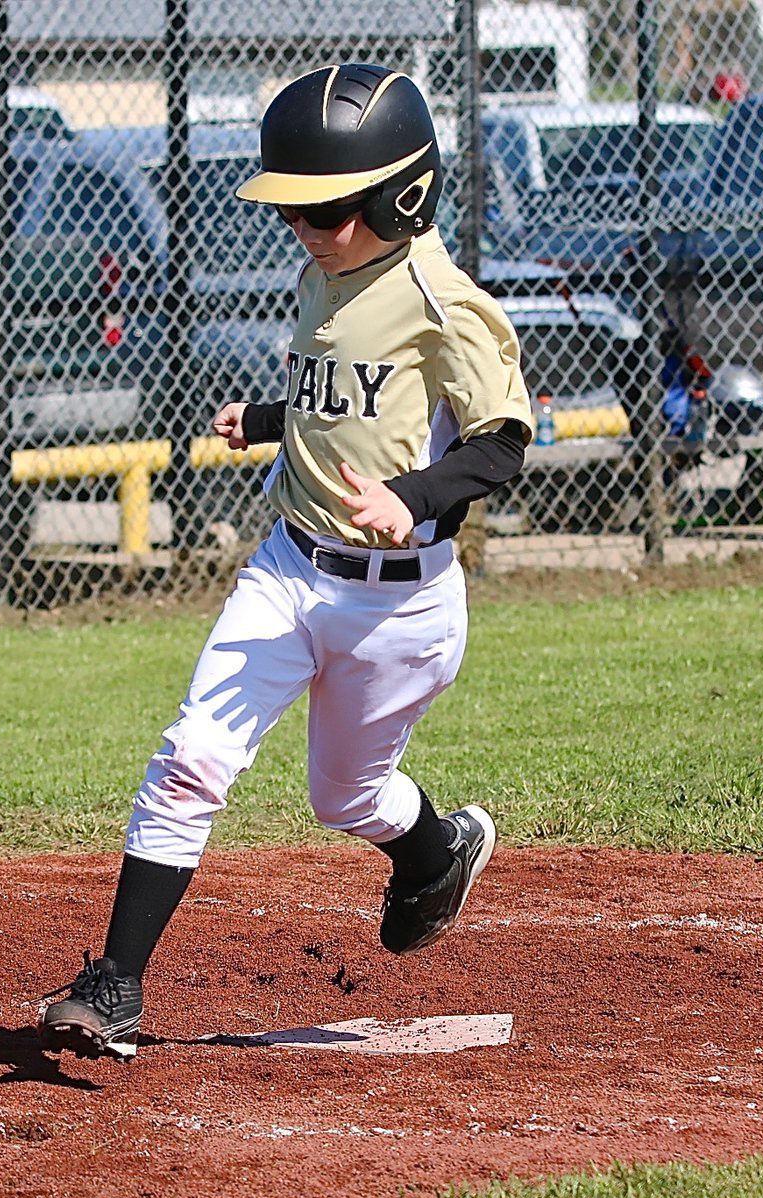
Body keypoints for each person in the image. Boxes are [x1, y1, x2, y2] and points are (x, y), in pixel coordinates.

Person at [38, 62, 534, 1061]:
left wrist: (412, 497)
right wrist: (267, 420)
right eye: (293, 212)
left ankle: (436, 848)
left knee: (343, 799)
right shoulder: (320, 274)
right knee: (190, 759)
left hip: (401, 608)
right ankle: (117, 984)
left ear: (403, 194)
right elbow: (342, 397)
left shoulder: (445, 303)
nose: (309, 230)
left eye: (331, 210)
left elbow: (500, 442)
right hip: (287, 567)